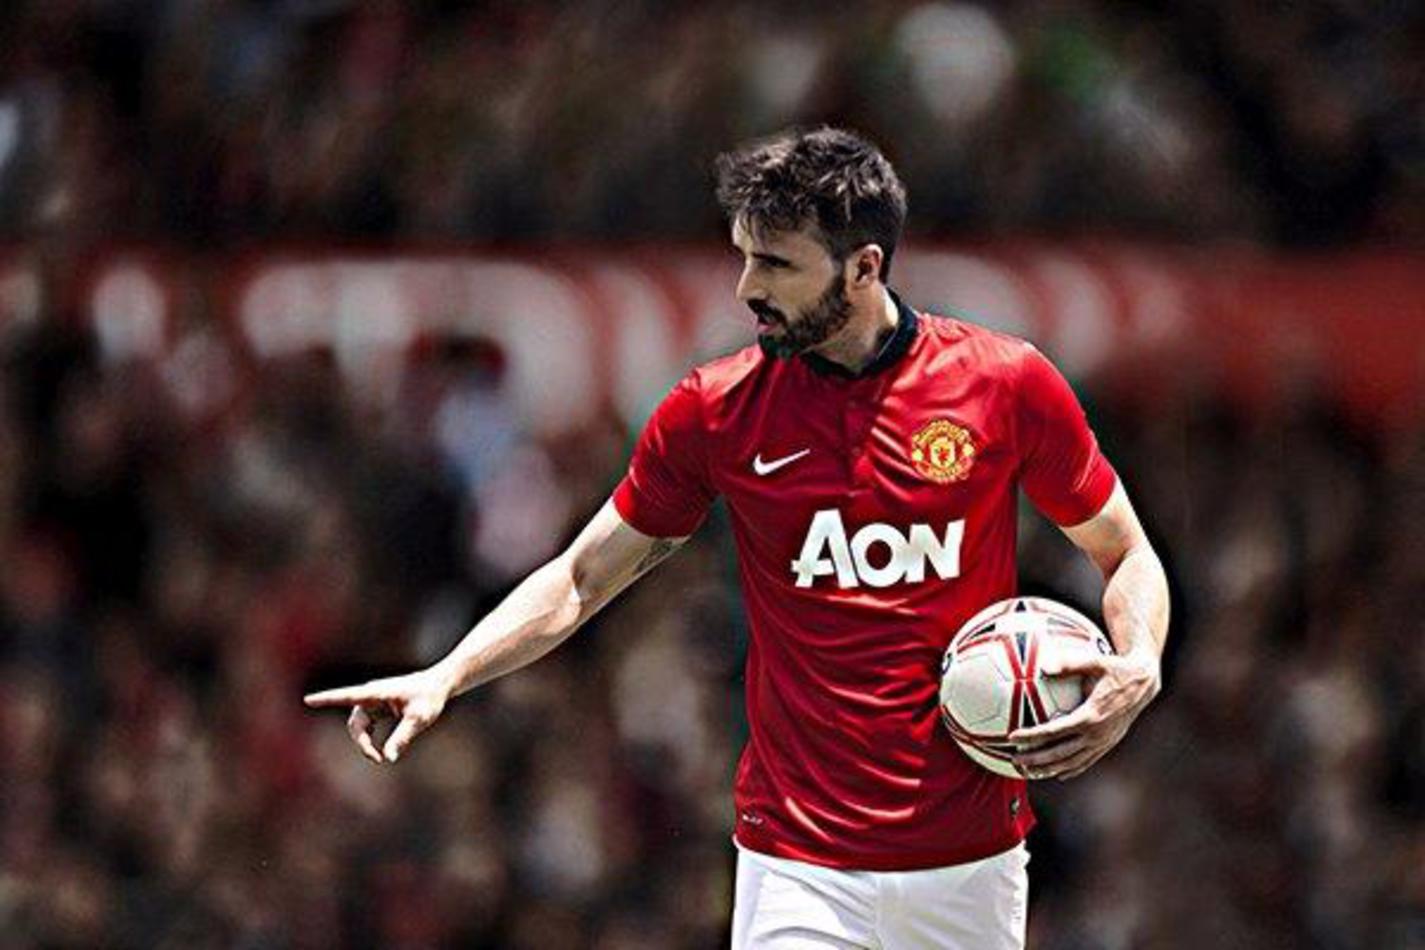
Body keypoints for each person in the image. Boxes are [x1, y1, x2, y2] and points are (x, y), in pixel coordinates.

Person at [304, 127, 1170, 949]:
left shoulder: (1004, 385)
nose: (746, 287)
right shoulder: (714, 412)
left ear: (864, 267)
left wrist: (1138, 662)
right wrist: (448, 674)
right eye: (744, 256)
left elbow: (1124, 551)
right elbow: (580, 577)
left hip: (972, 862)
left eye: (776, 263)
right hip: (798, 865)